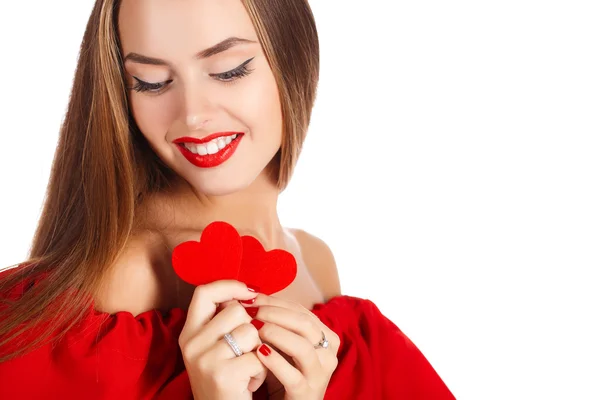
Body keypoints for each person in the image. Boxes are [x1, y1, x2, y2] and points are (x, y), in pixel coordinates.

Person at [0, 0, 455, 399]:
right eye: (153, 82)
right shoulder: (128, 275)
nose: (193, 114)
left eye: (228, 71)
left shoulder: (316, 261)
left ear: (295, 58)